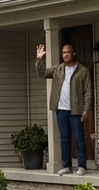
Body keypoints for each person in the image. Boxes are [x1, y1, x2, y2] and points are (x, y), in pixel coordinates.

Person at [36, 43, 93, 176]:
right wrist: (39, 60)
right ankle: (67, 165)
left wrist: (86, 109)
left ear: (73, 54)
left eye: (68, 52)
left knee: (79, 138)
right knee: (64, 138)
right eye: (63, 53)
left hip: (76, 109)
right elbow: (42, 73)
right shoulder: (58, 70)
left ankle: (81, 165)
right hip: (61, 109)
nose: (65, 55)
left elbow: (88, 92)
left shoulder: (82, 71)